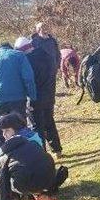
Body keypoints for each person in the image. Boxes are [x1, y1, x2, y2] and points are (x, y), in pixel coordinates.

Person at [0, 42, 37, 153]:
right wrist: (32, 98)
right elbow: (29, 79)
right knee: (20, 130)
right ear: (11, 47)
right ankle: (24, 156)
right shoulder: (19, 56)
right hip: (18, 99)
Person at [30, 23, 63, 157]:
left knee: (42, 123)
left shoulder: (52, 40)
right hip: (45, 86)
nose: (44, 30)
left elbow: (58, 55)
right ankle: (49, 152)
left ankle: (53, 151)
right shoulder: (34, 42)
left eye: (45, 28)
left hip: (45, 88)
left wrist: (56, 67)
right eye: (41, 29)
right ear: (37, 30)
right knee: (46, 121)